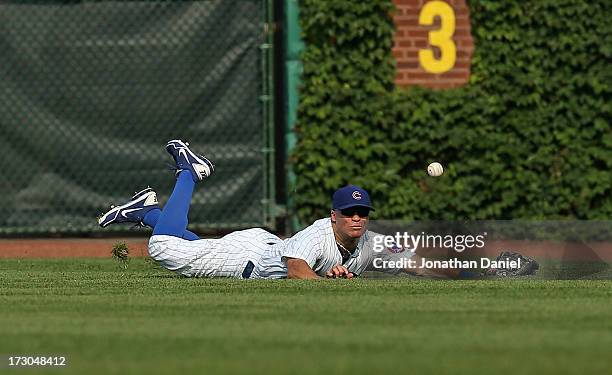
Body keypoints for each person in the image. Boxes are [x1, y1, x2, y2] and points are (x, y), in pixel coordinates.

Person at [98, 140, 536, 279]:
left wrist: (483, 267)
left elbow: (419, 262)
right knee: (164, 250)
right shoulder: (320, 233)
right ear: (334, 214)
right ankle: (189, 174)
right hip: (249, 258)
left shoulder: (370, 242)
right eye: (348, 212)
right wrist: (326, 281)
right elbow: (295, 267)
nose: (357, 218)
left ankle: (145, 212)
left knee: (182, 240)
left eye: (362, 212)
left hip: (260, 246)